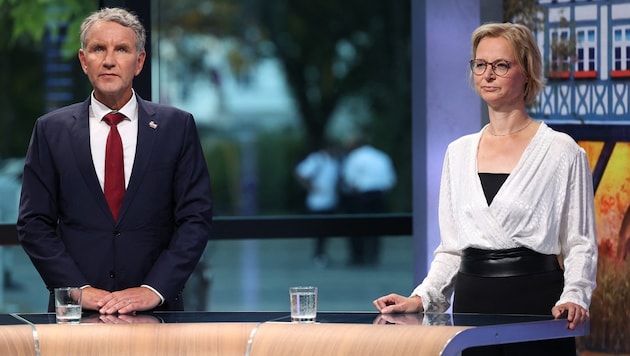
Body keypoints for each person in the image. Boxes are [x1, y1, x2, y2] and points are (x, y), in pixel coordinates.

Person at [373, 23, 597, 356]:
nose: (488, 74)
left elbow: (580, 242)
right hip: (472, 302)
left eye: (501, 65)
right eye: (480, 65)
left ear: (527, 73)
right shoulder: (457, 152)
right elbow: (451, 250)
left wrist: (574, 295)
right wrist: (422, 297)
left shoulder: (561, 151)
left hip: (537, 302)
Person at [17, 7, 213, 315]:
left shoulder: (177, 127)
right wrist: (77, 290)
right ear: (84, 61)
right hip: (75, 314)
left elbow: (195, 218)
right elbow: (33, 223)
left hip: (157, 312)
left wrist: (154, 289)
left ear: (139, 62)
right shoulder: (50, 130)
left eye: (121, 49)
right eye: (98, 49)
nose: (109, 60)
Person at [340, 134, 396, 266]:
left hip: (361, 196)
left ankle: (358, 256)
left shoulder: (354, 157)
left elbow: (349, 179)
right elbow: (390, 180)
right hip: (379, 194)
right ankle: (373, 255)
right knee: (376, 227)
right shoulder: (381, 156)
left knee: (357, 227)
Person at [294, 141, 340, 267]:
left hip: (330, 200)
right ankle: (318, 255)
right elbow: (301, 173)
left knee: (327, 230)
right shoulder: (317, 159)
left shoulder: (334, 162)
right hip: (318, 202)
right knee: (320, 230)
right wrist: (311, 188)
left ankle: (322, 254)